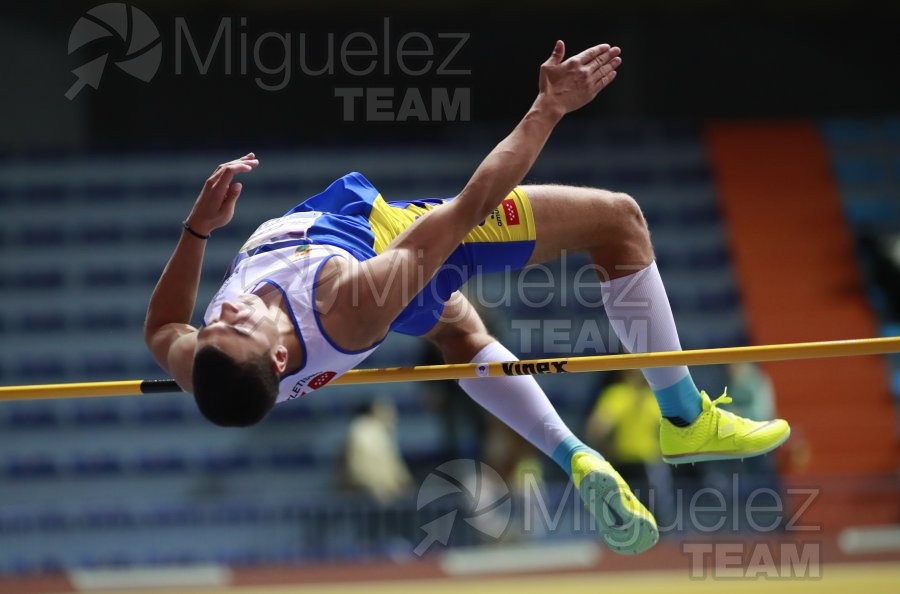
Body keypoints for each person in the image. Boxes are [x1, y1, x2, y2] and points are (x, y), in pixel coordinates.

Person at [144, 41, 791, 555]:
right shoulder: (348, 298)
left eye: (218, 320)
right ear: (279, 357)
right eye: (239, 324)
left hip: (383, 272)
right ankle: (684, 418)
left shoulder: (209, 366)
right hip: (388, 247)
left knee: (460, 336)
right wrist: (549, 108)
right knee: (619, 221)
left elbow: (162, 326)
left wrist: (198, 229)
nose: (225, 311)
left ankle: (576, 456)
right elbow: (472, 203)